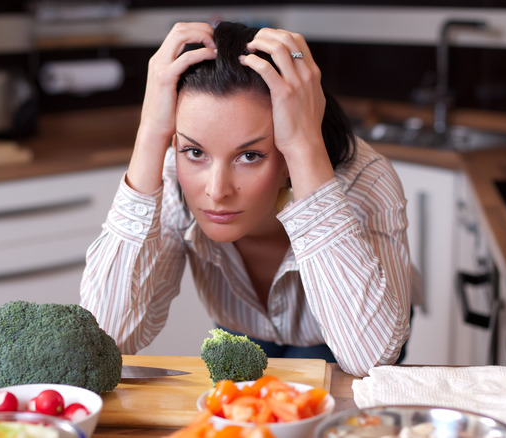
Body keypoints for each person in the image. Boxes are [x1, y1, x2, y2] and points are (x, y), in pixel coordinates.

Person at [80, 21, 412, 377]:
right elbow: (104, 338)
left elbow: (370, 359)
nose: (216, 190)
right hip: (242, 331)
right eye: (194, 151)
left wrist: (304, 147)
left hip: (349, 337)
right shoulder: (172, 176)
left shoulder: (365, 182)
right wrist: (149, 133)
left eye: (250, 156)